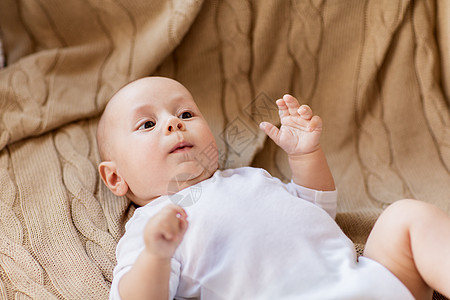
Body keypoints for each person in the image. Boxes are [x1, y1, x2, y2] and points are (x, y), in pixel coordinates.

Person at [97, 76, 450, 300]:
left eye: (186, 114)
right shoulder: (151, 228)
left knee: (407, 217)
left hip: (368, 282)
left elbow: (317, 215)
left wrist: (306, 155)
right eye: (147, 124)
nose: (173, 123)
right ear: (115, 178)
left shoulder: (250, 178)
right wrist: (156, 255)